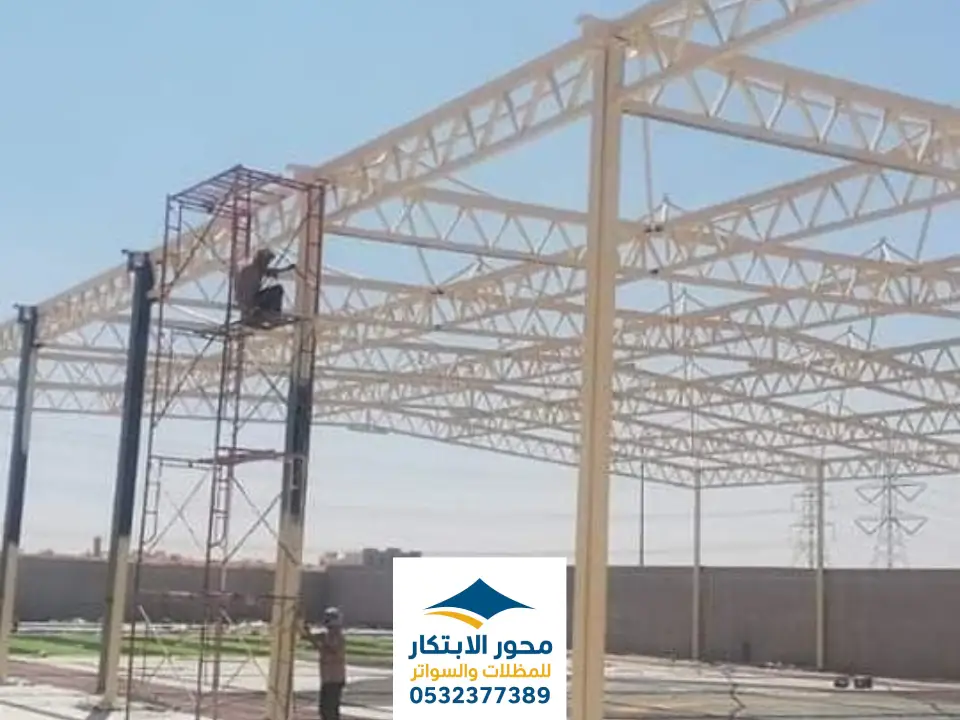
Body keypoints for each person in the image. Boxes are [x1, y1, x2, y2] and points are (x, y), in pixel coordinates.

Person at [302, 606, 347, 720]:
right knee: (324, 709)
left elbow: (330, 651)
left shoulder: (337, 636)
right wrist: (305, 630)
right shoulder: (326, 634)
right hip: (327, 678)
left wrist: (316, 642)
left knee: (330, 710)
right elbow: (309, 637)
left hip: (334, 678)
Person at [233, 248, 295, 326]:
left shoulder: (253, 269)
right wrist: (249, 308)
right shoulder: (252, 270)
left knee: (271, 292)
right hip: (251, 302)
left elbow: (270, 272)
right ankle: (273, 315)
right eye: (267, 261)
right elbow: (244, 293)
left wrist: (287, 269)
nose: (267, 264)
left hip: (249, 302)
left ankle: (267, 314)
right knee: (277, 290)